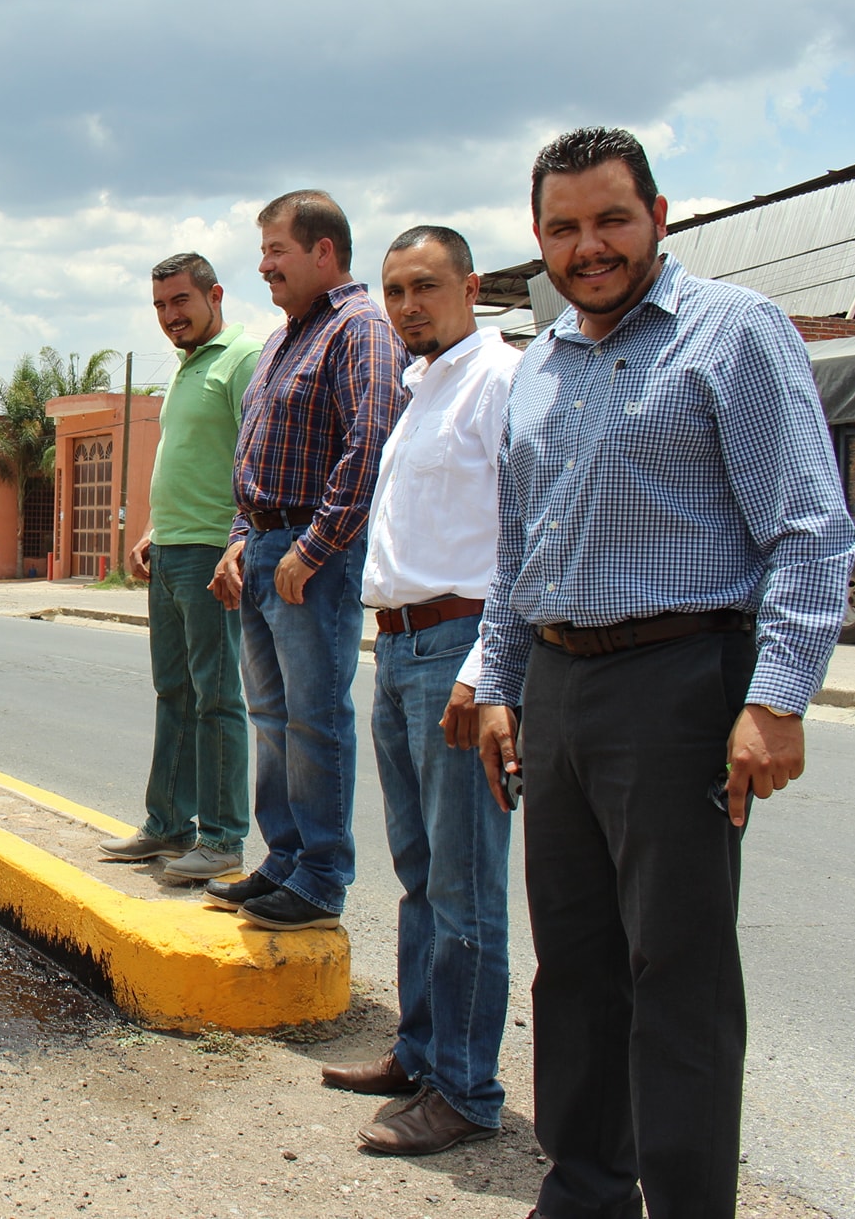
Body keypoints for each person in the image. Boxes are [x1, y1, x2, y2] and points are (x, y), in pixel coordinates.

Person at [473, 127, 855, 1218]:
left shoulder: (732, 336)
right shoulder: (538, 363)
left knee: (674, 975)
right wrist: (498, 684)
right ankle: (582, 1190)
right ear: (537, 237)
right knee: (574, 967)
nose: (586, 246)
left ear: (657, 216)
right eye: (562, 227)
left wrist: (773, 699)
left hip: (681, 684)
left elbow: (808, 530)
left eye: (609, 220)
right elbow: (518, 548)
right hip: (556, 690)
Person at [315, 226, 522, 1156]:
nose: (407, 307)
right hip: (397, 648)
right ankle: (421, 1050)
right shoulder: (417, 386)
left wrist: (487, 670)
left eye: (427, 287)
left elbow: (526, 537)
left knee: (467, 881)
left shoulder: (502, 381)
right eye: (395, 290)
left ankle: (468, 1092)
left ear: (471, 286)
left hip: (459, 649)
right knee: (418, 874)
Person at [206, 190, 406, 932]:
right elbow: (254, 453)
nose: (263, 267)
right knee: (272, 717)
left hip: (309, 556)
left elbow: (370, 444)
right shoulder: (286, 337)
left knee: (315, 720)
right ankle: (283, 858)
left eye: (276, 251)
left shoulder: (360, 331)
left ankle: (321, 877)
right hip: (262, 548)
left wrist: (313, 547)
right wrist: (238, 538)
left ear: (324, 252)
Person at [96, 252, 261, 884]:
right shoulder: (189, 366)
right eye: (161, 307)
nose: (170, 317)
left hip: (211, 554)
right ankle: (167, 825)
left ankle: (222, 839)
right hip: (170, 550)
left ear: (214, 294)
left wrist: (238, 543)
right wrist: (151, 530)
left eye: (180, 303)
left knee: (217, 698)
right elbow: (188, 458)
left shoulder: (243, 357)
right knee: (175, 693)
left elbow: (258, 457)